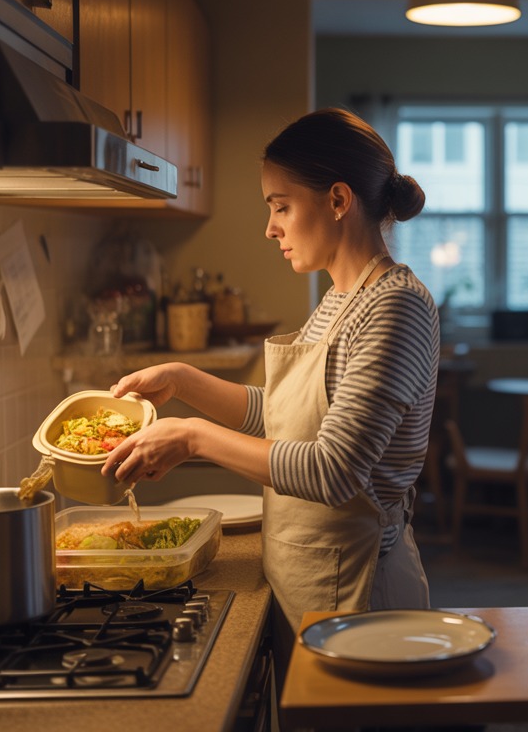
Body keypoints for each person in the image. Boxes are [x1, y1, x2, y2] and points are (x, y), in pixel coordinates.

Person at [101, 107, 438, 671]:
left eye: (281, 206)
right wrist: (182, 379)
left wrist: (193, 437)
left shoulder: (395, 307)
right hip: (311, 579)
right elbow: (281, 416)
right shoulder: (340, 299)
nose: (270, 227)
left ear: (338, 200)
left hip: (362, 595)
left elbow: (334, 471)